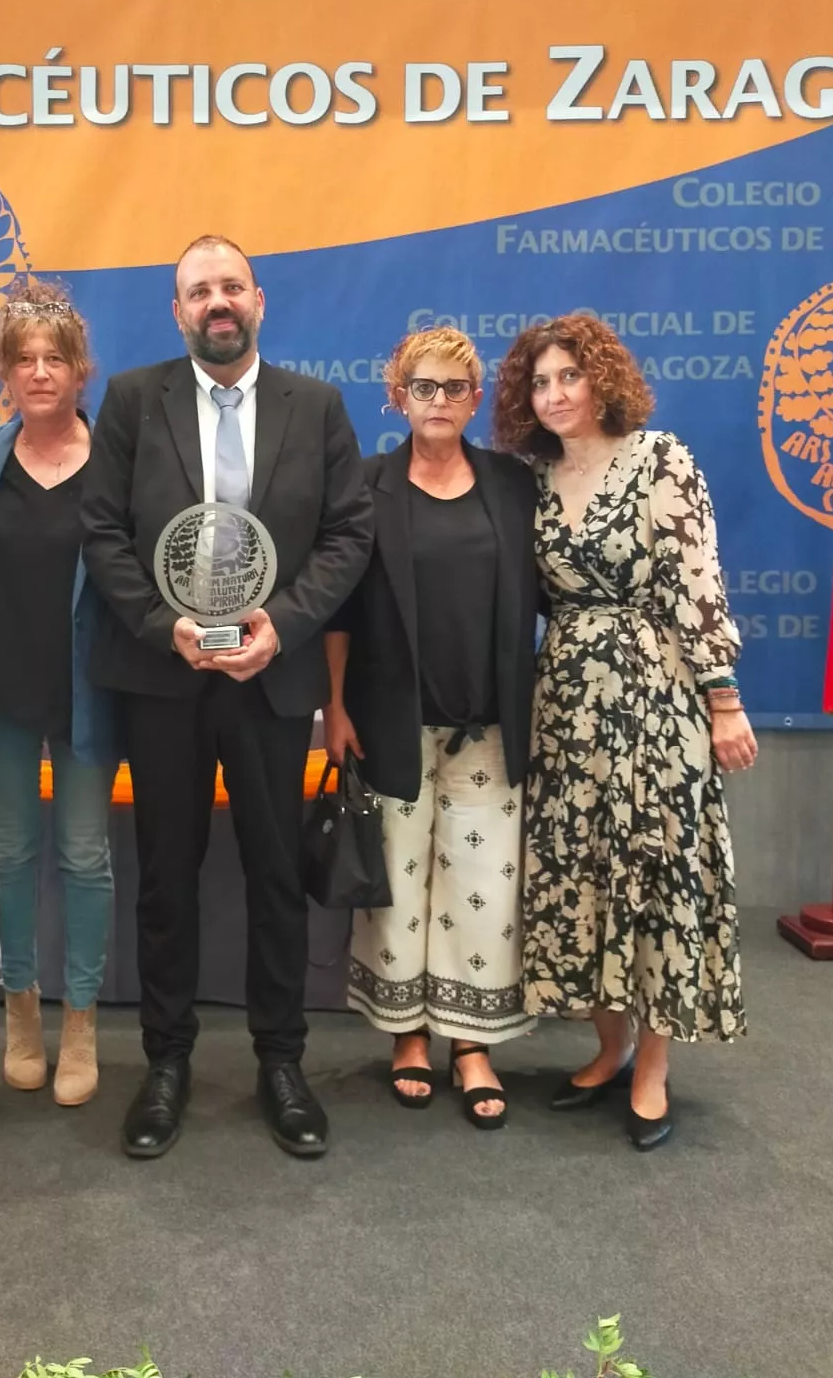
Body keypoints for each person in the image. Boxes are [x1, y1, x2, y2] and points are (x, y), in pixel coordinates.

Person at [82, 234, 373, 1160]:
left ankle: (281, 1063)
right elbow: (102, 531)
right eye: (199, 290)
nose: (218, 302)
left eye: (231, 287)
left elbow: (348, 534)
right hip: (163, 677)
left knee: (275, 877)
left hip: (270, 677)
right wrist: (160, 623)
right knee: (166, 878)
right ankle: (165, 1065)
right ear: (178, 311)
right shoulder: (134, 400)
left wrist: (279, 627)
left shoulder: (315, 406)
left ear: (258, 301)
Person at [493, 313, 756, 1152]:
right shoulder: (531, 480)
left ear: (602, 379)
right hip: (566, 700)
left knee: (655, 871)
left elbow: (698, 581)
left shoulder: (660, 458)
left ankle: (653, 1065)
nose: (554, 394)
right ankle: (608, 1049)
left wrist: (722, 698)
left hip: (655, 695)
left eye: (569, 376)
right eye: (540, 382)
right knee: (582, 872)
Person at [323, 328, 536, 1129]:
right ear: (398, 396)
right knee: (399, 885)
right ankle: (407, 1034)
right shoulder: (366, 485)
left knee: (484, 887)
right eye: (423, 387)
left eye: (453, 388)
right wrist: (335, 707)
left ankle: (470, 1042)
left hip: (489, 726)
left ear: (475, 399)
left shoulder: (512, 485)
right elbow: (340, 610)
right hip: (389, 723)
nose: (438, 401)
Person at [0, 281, 118, 1106]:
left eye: (55, 358)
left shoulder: (117, 459)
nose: (40, 372)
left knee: (85, 858)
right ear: (5, 373)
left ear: (81, 370)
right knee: (12, 855)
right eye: (24, 359)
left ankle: (80, 1022)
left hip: (89, 693)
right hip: (2, 695)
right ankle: (20, 1013)